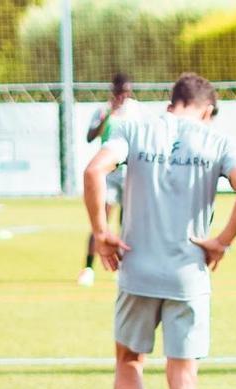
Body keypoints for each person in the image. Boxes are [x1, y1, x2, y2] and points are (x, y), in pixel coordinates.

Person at [83, 73, 236, 389]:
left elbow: (94, 170)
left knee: (129, 361)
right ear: (207, 110)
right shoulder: (218, 142)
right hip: (188, 274)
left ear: (172, 102)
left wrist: (101, 231)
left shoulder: (134, 127)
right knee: (183, 375)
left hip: (136, 268)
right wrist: (222, 242)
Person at [78, 72, 146, 287]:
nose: (123, 96)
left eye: (127, 91)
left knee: (128, 223)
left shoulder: (136, 110)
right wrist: (106, 115)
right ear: (113, 91)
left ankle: (123, 268)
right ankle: (88, 268)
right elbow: (90, 136)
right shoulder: (103, 110)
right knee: (101, 220)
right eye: (120, 92)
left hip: (132, 172)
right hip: (108, 173)